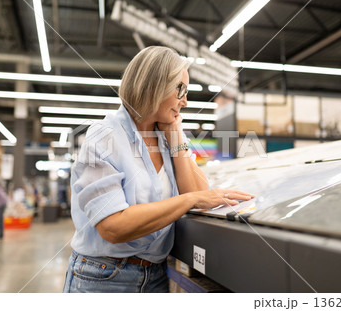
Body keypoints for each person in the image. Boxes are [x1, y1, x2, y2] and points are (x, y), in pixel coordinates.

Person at [63, 46, 255, 293]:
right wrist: (191, 199)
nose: (185, 101)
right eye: (180, 90)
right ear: (154, 85)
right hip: (103, 278)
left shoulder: (166, 135)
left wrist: (175, 136)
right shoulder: (103, 138)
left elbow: (200, 192)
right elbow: (112, 226)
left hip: (155, 276)